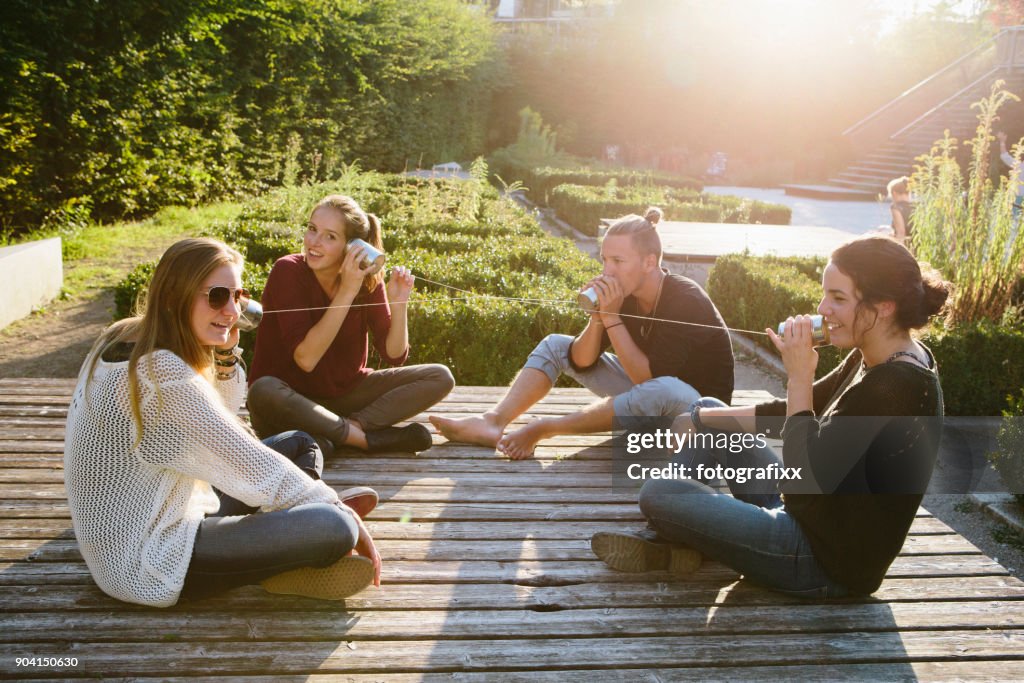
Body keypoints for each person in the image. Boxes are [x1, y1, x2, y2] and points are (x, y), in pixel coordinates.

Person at [591, 235, 950, 598]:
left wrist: (799, 377)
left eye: (838, 298)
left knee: (659, 494)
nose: (823, 308)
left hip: (822, 561)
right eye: (825, 294)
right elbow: (786, 416)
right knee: (713, 410)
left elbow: (801, 485)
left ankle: (673, 536)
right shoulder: (878, 355)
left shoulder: (895, 387)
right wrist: (700, 419)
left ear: (884, 306)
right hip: (810, 518)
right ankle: (674, 540)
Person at [64, 238, 381, 607]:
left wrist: (226, 351)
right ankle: (299, 541)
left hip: (161, 509)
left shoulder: (124, 334)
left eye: (238, 295)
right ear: (174, 296)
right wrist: (338, 512)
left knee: (300, 443)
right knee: (335, 528)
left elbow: (223, 421)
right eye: (216, 296)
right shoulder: (161, 372)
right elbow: (249, 458)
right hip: (148, 560)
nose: (232, 310)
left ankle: (292, 538)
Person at [430, 207, 734, 459]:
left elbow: (650, 382)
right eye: (604, 259)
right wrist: (599, 318)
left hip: (697, 420)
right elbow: (581, 360)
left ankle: (547, 427)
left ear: (649, 262)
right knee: (555, 345)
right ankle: (492, 422)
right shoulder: (624, 294)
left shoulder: (685, 299)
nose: (607, 270)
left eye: (618, 261)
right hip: (650, 402)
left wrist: (612, 316)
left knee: (666, 388)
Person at [246, 194, 454, 455]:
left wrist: (399, 305)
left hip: (344, 399)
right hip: (289, 403)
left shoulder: (367, 281)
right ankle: (363, 440)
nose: (314, 242)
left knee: (439, 376)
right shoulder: (287, 271)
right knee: (263, 389)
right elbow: (306, 359)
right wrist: (346, 290)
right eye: (312, 229)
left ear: (352, 246)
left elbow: (394, 355)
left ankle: (341, 433)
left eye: (330, 236)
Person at [886, 176, 914, 245]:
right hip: (921, 247)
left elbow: (901, 233)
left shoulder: (896, 207)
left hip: (907, 248)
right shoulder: (917, 206)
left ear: (894, 193)